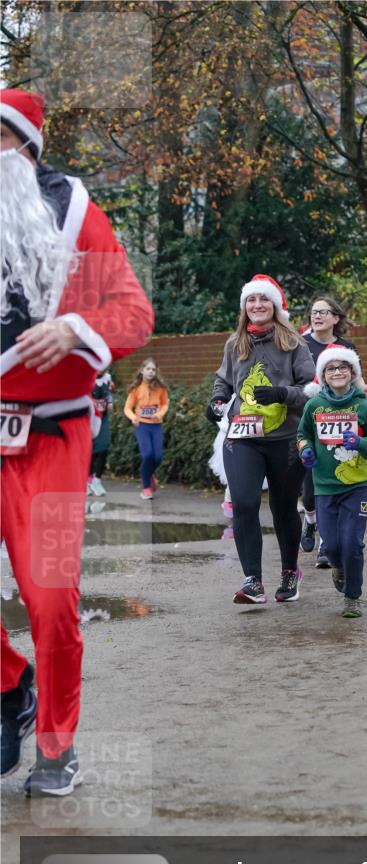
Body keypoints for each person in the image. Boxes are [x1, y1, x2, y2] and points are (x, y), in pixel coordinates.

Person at [0, 89, 153, 795]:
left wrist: (73, 330)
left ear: (25, 148)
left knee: (52, 597)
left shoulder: (73, 220)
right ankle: (12, 683)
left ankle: (57, 748)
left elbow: (131, 312)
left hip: (55, 436)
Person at [206, 274, 315, 604]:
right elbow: (223, 382)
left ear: (275, 305)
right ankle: (252, 580)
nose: (257, 305)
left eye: (263, 299)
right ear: (244, 308)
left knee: (283, 509)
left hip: (283, 439)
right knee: (244, 503)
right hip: (242, 436)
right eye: (251, 300)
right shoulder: (234, 343)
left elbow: (313, 390)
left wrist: (282, 393)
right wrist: (216, 402)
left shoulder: (295, 344)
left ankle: (289, 571)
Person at [297, 346, 367, 618]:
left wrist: (360, 442)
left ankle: (352, 597)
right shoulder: (314, 406)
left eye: (343, 367)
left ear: (352, 373)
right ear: (323, 375)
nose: (337, 372)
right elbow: (302, 434)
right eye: (330, 368)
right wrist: (305, 450)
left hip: (356, 487)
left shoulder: (364, 407)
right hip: (324, 487)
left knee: (352, 544)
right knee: (333, 547)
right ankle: (338, 568)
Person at [301, 294, 367, 567]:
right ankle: (310, 520)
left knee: (332, 476)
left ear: (336, 318)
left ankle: (326, 545)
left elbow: (357, 382)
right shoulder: (301, 344)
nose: (317, 316)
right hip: (309, 417)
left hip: (342, 420)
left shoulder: (346, 347)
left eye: (323, 312)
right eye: (313, 312)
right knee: (309, 488)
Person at [123, 357, 168, 499]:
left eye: (153, 369)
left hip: (156, 425)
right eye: (148, 369)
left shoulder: (160, 388)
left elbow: (165, 404)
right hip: (141, 425)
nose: (151, 372)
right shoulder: (136, 389)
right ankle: (146, 488)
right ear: (142, 370)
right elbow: (127, 408)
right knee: (147, 455)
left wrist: (159, 414)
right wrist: (133, 418)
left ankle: (149, 474)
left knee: (158, 457)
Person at [88, 369, 114, 496]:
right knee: (90, 451)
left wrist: (110, 401)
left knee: (103, 448)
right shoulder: (86, 377)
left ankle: (97, 480)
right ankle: (87, 481)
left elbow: (108, 393)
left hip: (103, 418)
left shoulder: (107, 378)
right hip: (88, 419)